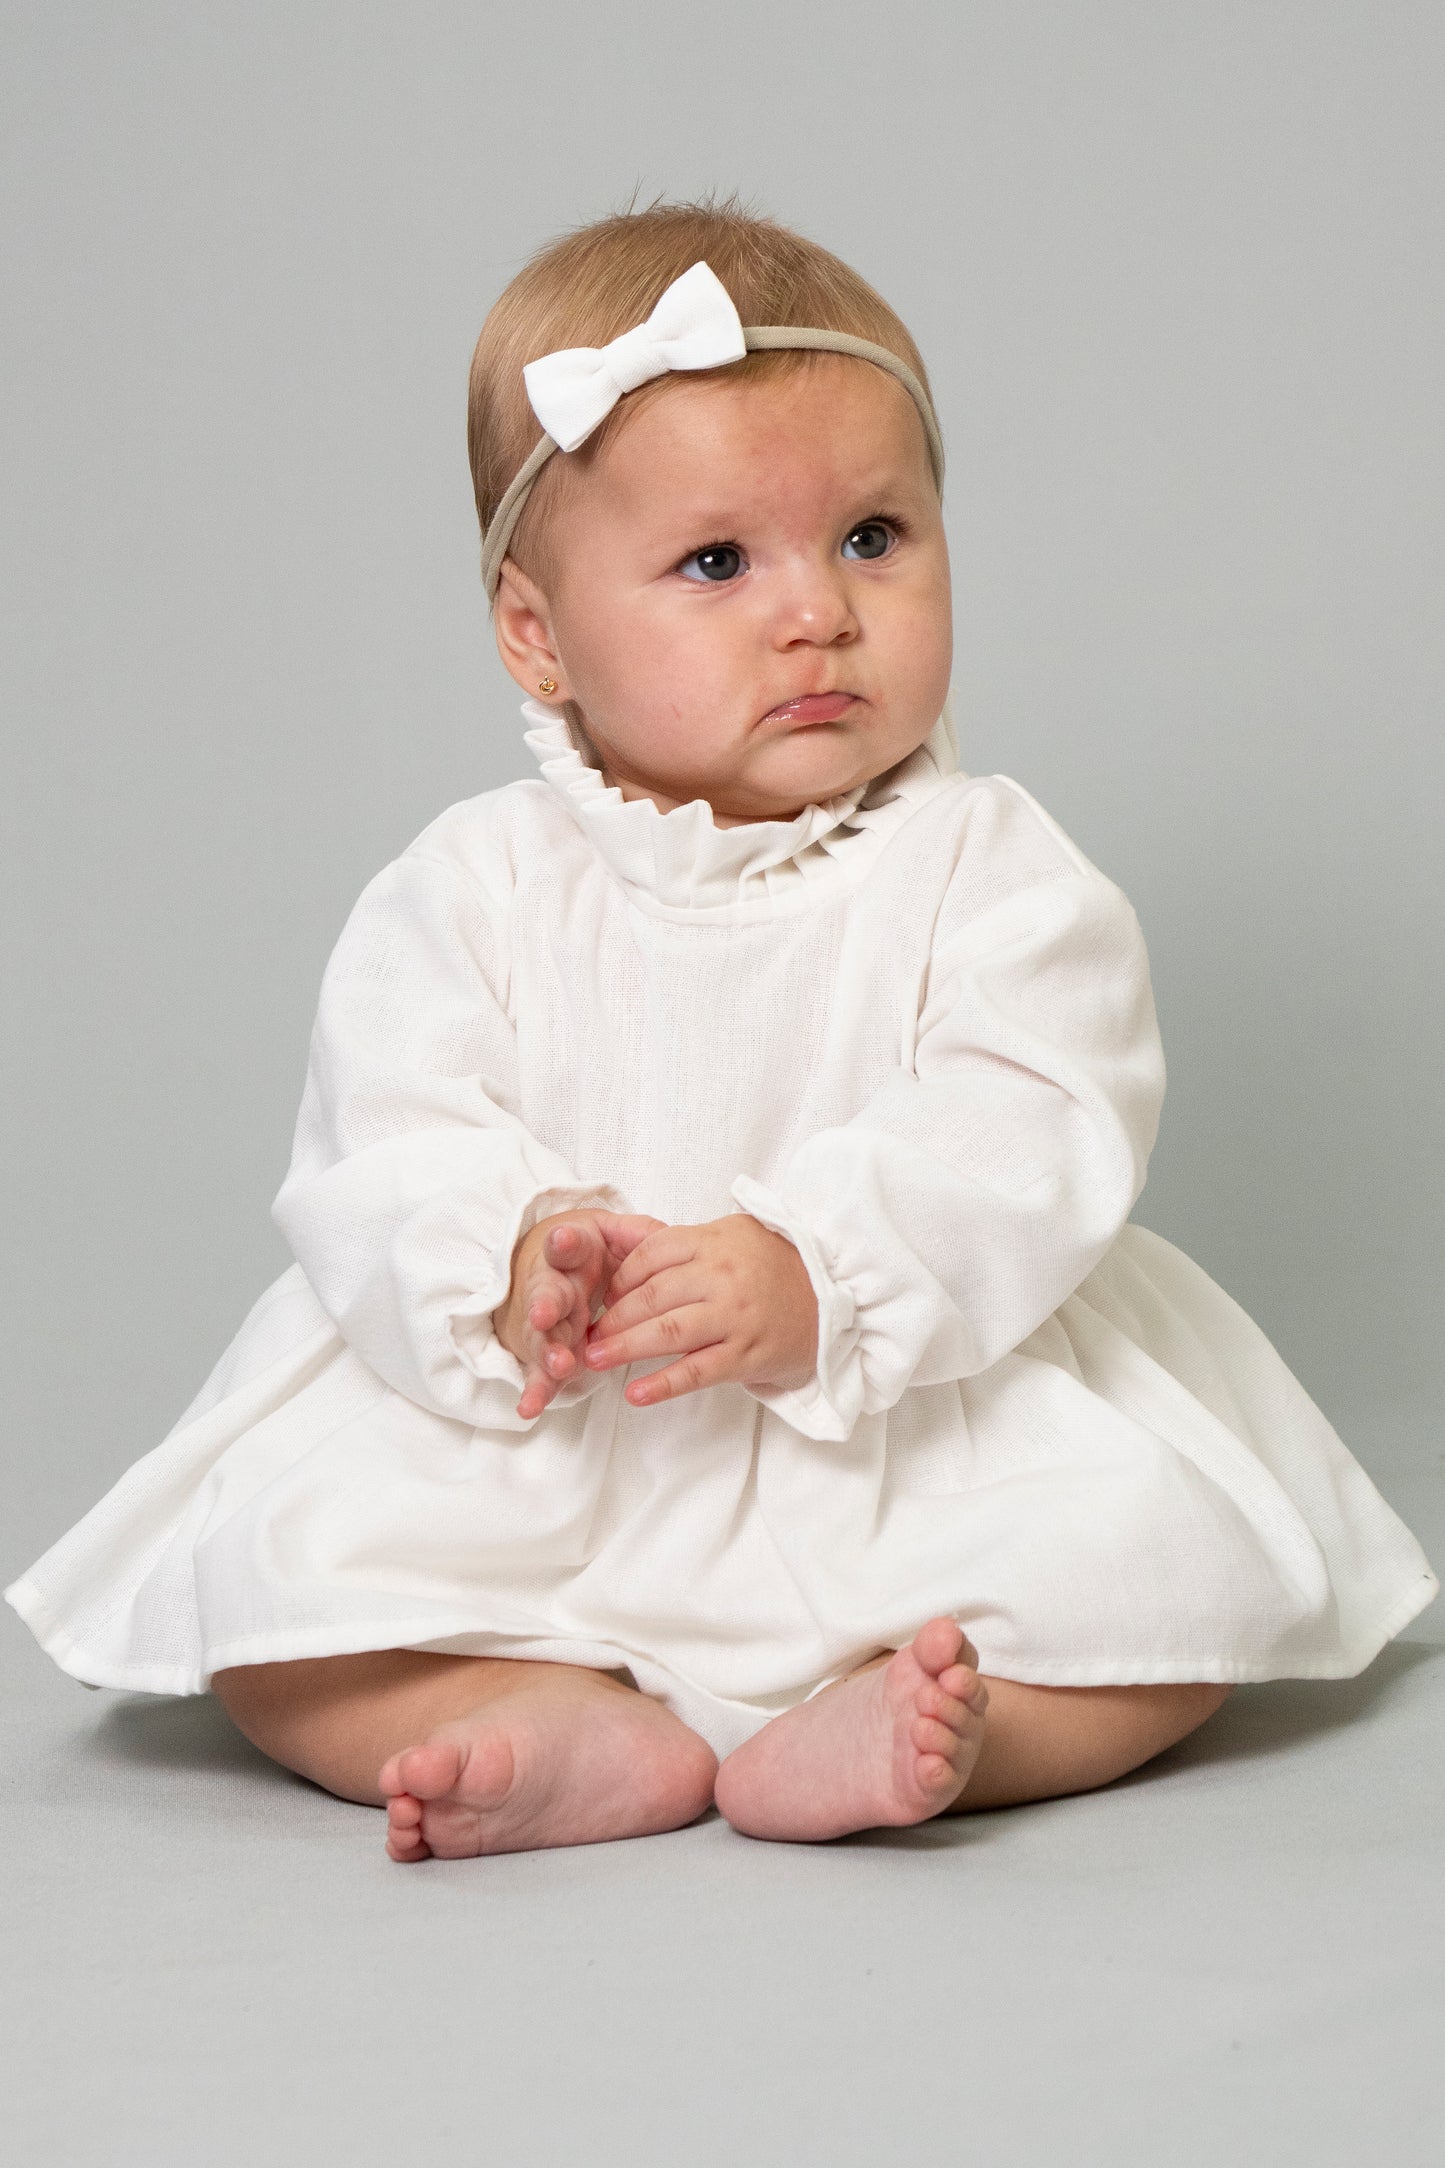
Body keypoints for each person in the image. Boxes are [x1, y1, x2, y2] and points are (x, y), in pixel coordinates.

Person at [7, 199, 1435, 1862]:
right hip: (558, 1440)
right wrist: (508, 1252)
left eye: (873, 537)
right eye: (715, 563)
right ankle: (558, 1722)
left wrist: (816, 1265)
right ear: (538, 637)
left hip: (898, 1417)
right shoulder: (466, 885)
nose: (816, 614)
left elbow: (1034, 1121)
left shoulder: (990, 869)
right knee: (278, 1624)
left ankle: (909, 1738)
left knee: (1175, 1609)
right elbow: (382, 1140)